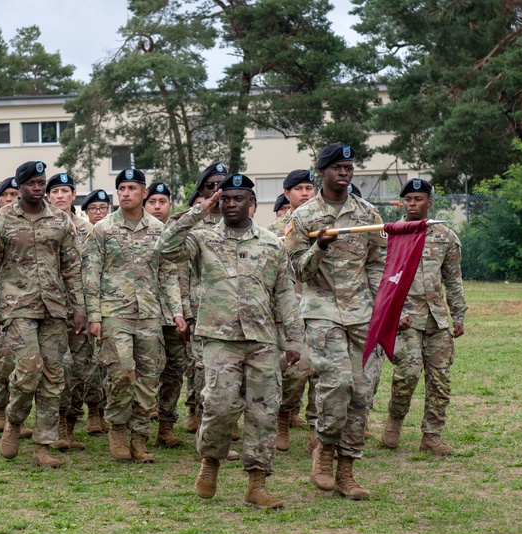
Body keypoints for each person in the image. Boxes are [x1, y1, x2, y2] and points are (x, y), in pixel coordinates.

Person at [157, 174, 303, 508]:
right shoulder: (203, 239)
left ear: (251, 203)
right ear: (218, 203)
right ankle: (210, 463)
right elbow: (164, 247)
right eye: (226, 199)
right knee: (220, 406)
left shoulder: (270, 243)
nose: (232, 204)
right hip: (219, 337)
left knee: (263, 411)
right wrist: (198, 212)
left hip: (262, 339)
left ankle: (257, 483)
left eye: (238, 199)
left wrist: (293, 337)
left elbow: (284, 293)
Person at [285, 143, 386, 500]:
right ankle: (325, 450)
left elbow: (378, 260)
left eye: (349, 167)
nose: (344, 173)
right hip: (322, 309)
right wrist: (320, 248)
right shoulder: (303, 216)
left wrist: (378, 301)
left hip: (361, 312)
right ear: (322, 172)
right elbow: (295, 268)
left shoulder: (367, 213)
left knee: (363, 389)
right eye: (337, 167)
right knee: (337, 381)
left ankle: (347, 470)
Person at [0, 162, 86, 468]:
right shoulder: (1, 220)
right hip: (17, 307)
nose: (38, 188)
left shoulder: (61, 220)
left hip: (54, 308)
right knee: (29, 370)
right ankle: (13, 421)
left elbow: (72, 268)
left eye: (42, 183)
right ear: (20, 185)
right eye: (32, 184)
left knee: (53, 375)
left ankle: (43, 445)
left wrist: (79, 308)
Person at [82, 167, 184, 463]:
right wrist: (94, 315)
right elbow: (91, 274)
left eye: (132, 188)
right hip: (114, 313)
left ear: (144, 193)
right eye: (122, 189)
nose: (126, 193)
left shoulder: (158, 230)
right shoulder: (103, 229)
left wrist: (176, 312)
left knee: (148, 378)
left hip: (150, 314)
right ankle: (116, 427)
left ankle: (139, 438)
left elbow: (168, 274)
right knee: (122, 373)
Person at [382, 179, 467, 455]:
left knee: (440, 379)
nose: (413, 204)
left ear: (429, 202)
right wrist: (392, 316)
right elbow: (379, 280)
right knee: (407, 374)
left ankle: (431, 436)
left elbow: (453, 280)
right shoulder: (391, 235)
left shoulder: (445, 236)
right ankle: (394, 421)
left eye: (418, 199)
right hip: (406, 317)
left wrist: (458, 315)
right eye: (408, 200)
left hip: (437, 319)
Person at [43, 171, 98, 450]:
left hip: (80, 306)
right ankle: (50, 427)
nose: (60, 196)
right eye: (55, 192)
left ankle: (68, 426)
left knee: (79, 369)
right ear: (48, 196)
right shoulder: (41, 224)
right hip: (49, 307)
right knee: (54, 367)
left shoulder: (89, 229)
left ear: (74, 196)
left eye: (65, 191)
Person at [266, 169, 318, 451]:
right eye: (299, 188)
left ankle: (315, 428)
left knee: (323, 371)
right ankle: (283, 417)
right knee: (295, 372)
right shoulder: (275, 231)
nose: (306, 193)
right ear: (287, 194)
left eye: (309, 187)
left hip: (322, 306)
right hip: (289, 310)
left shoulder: (326, 223)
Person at [182, 163, 228, 435]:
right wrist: (184, 310)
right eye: (210, 186)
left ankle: (221, 422)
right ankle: (199, 416)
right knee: (200, 368)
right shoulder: (192, 221)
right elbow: (176, 268)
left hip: (233, 312)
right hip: (201, 310)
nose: (217, 191)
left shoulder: (238, 220)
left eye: (221, 185)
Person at [0, 176, 32, 439]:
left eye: (16, 194)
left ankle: (18, 414)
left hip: (26, 302)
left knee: (23, 363)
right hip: (2, 302)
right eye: (8, 194)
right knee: (4, 360)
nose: (12, 199)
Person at [144, 182, 189, 448]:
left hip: (173, 314)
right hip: (143, 314)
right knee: (145, 371)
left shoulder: (175, 234)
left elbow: (175, 277)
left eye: (163, 201)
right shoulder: (137, 232)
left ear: (170, 205)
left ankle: (166, 426)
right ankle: (136, 425)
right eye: (153, 201)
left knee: (174, 370)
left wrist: (180, 313)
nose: (157, 206)